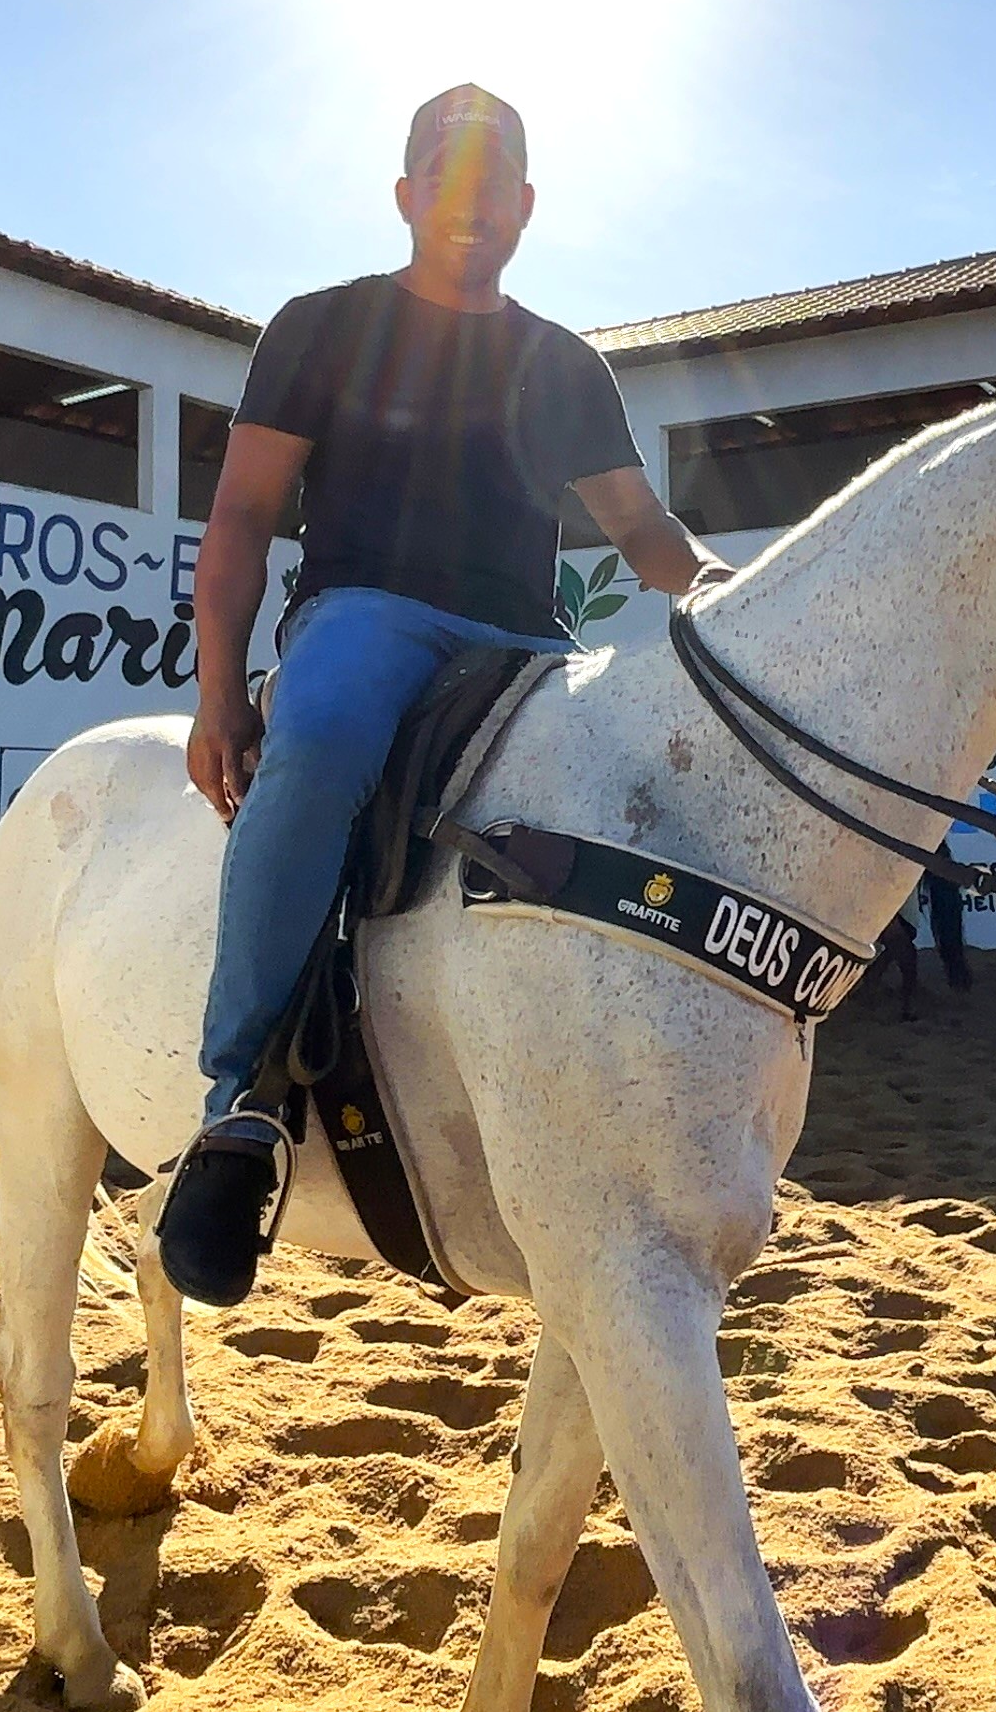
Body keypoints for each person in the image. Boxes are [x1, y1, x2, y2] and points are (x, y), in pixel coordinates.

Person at [158, 83, 732, 1305]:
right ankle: (238, 1109)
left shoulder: (561, 363)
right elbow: (245, 515)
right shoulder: (319, 329)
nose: (471, 209)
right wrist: (219, 694)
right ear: (408, 193)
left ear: (524, 205)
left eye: (496, 187)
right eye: (445, 180)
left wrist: (734, 597)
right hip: (365, 614)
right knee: (315, 750)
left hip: (525, 635)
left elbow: (638, 526)